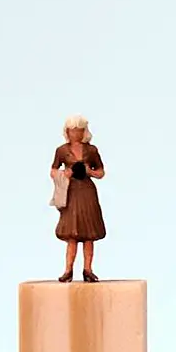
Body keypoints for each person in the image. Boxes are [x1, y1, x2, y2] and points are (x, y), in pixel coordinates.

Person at [50, 114, 107, 282]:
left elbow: (101, 172)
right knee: (72, 235)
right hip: (71, 192)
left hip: (87, 192)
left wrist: (90, 171)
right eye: (73, 130)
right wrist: (64, 173)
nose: (76, 134)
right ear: (67, 131)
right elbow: (53, 170)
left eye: (80, 130)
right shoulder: (61, 151)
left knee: (89, 234)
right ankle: (68, 270)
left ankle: (88, 269)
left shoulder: (91, 150)